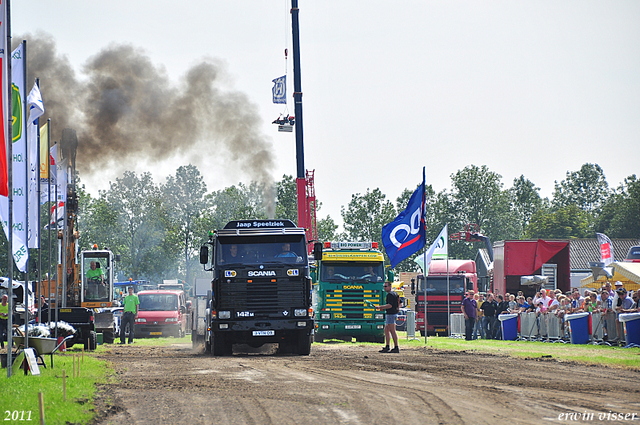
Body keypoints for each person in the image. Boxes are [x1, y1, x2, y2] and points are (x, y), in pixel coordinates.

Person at [375, 282, 400, 353]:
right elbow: (400, 303)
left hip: (391, 314)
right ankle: (387, 346)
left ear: (390, 286)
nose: (384, 288)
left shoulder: (390, 295)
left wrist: (380, 307)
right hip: (392, 313)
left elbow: (390, 305)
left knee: (392, 331)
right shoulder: (395, 294)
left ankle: (396, 347)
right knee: (386, 330)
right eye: (384, 286)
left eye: (386, 286)